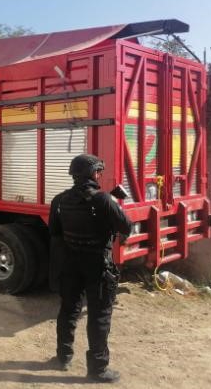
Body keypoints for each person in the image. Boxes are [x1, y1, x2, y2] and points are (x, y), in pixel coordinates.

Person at [48, 154, 132, 383]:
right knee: (99, 315)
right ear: (93, 174)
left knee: (68, 310)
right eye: (98, 172)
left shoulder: (59, 200)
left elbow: (54, 232)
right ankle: (98, 369)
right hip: (98, 266)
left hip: (71, 263)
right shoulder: (103, 199)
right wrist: (114, 206)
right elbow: (126, 226)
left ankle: (63, 357)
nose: (100, 175)